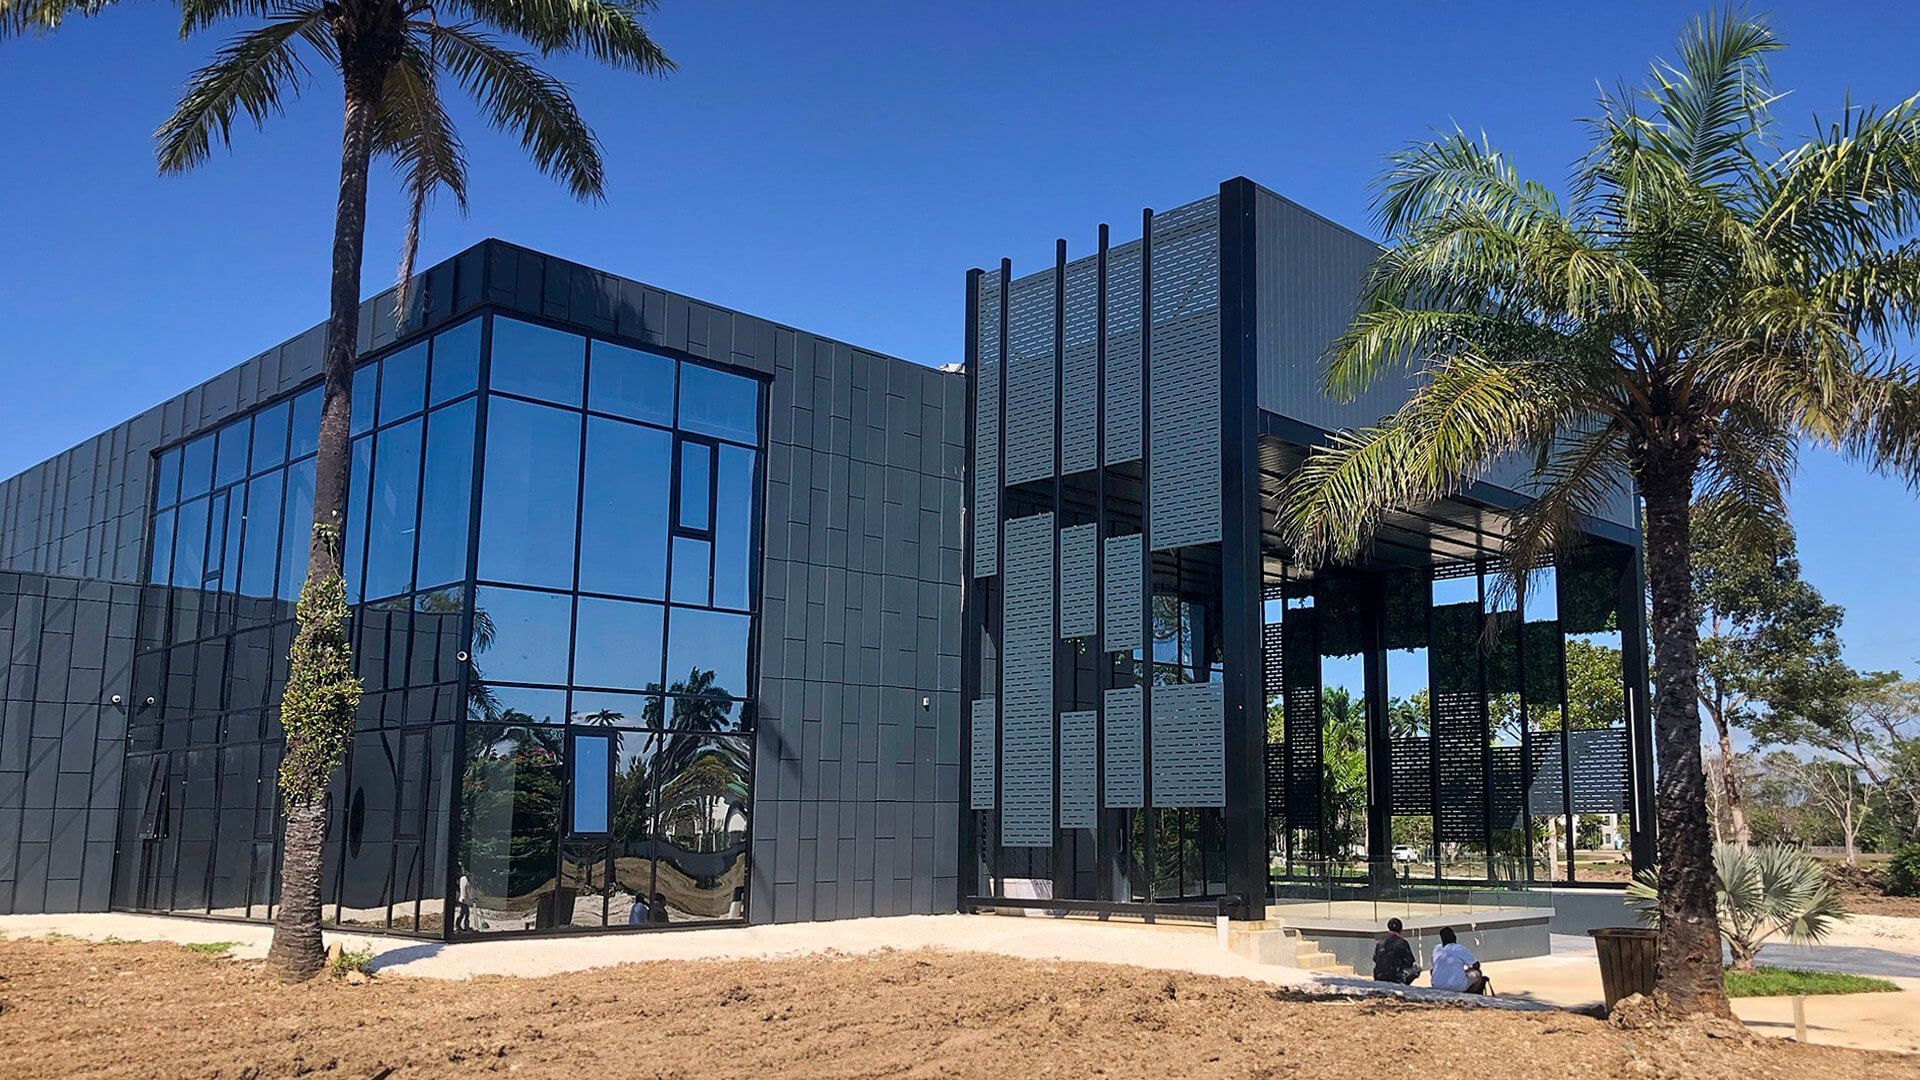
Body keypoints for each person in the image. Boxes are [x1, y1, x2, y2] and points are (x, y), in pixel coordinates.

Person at [1429, 926, 1491, 995]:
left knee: (1432, 970)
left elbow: (1434, 966)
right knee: (1477, 972)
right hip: (1457, 986)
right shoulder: (1458, 948)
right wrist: (1468, 969)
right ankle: (1470, 994)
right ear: (1454, 937)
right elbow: (1476, 965)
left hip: (1437, 986)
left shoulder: (1436, 949)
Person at [1371, 917, 1419, 985]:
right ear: (1400, 930)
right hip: (1396, 978)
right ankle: (1404, 986)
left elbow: (1376, 959)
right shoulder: (1402, 943)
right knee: (1416, 969)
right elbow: (1410, 962)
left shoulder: (1380, 943)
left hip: (1380, 977)